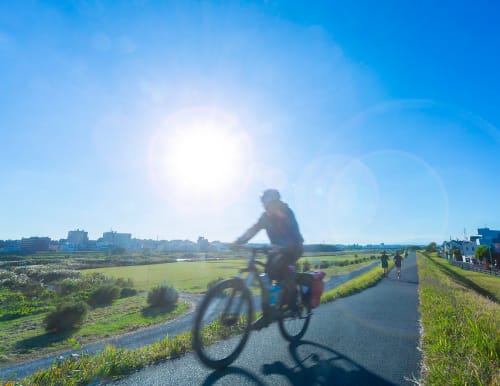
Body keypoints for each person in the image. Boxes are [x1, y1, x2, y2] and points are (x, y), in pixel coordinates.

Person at [233, 189, 304, 310]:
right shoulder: (265, 217)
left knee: (283, 268)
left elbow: (294, 233)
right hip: (277, 250)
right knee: (268, 274)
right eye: (264, 205)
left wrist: (285, 246)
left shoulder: (286, 212)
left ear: (276, 202)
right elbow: (254, 229)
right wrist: (240, 241)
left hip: (294, 248)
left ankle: (293, 300)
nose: (265, 207)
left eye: (268, 204)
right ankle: (272, 304)